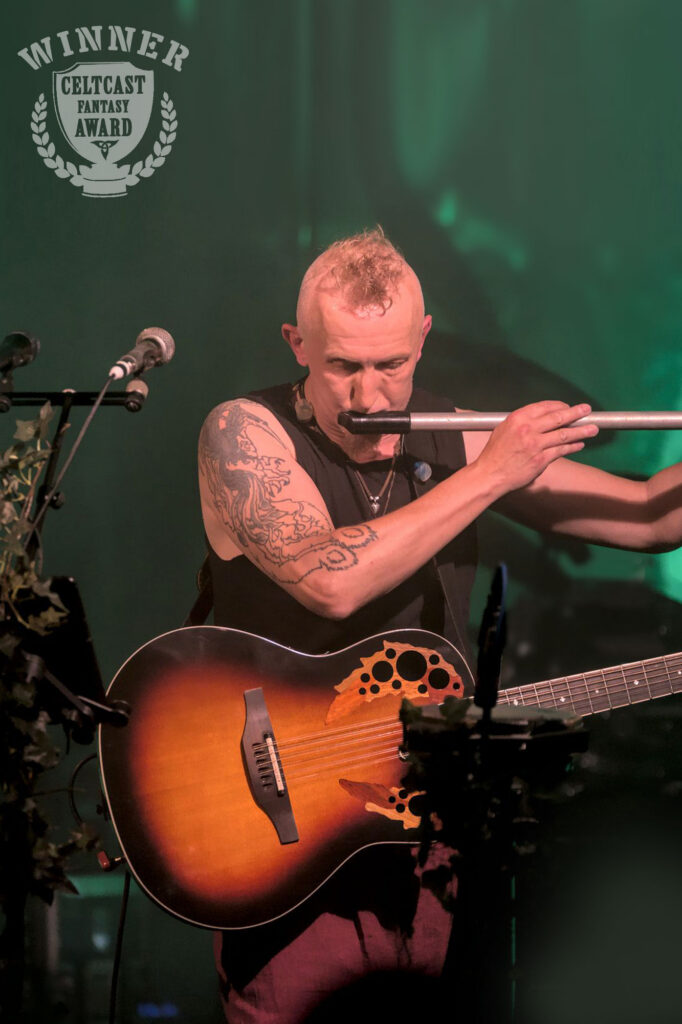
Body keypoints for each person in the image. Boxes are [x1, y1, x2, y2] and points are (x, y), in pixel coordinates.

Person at [198, 228, 682, 1022]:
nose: (369, 396)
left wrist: (488, 464)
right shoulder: (244, 432)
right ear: (297, 344)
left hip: (423, 832)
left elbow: (649, 517)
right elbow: (328, 581)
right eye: (342, 366)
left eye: (391, 364)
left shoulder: (452, 435)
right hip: (284, 831)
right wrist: (491, 473)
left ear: (423, 338)